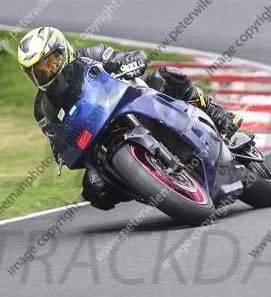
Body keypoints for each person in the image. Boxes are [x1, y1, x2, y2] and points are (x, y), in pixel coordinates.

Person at [17, 26, 243, 210]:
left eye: (50, 63)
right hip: (97, 134)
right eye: (38, 72)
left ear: (63, 50)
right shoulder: (42, 106)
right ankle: (147, 184)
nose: (47, 72)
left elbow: (126, 58)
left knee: (166, 77)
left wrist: (130, 61)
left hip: (131, 102)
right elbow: (55, 135)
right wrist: (60, 148)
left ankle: (217, 115)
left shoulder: (91, 55)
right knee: (95, 190)